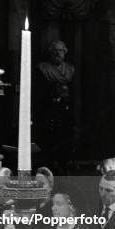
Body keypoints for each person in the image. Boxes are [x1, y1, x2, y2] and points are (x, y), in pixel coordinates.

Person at [33, 40, 77, 173]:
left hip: (65, 109)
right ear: (50, 53)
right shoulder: (43, 68)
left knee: (66, 135)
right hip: (48, 109)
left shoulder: (70, 69)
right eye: (55, 51)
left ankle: (64, 161)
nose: (58, 53)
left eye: (61, 51)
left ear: (65, 52)